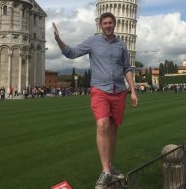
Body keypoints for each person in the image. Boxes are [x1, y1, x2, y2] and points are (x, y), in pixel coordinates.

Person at [53, 12, 138, 189]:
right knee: (102, 125)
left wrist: (133, 91)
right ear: (100, 25)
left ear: (114, 24)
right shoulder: (92, 42)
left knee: (114, 129)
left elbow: (127, 68)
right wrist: (58, 40)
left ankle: (110, 165)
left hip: (119, 91)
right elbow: (71, 53)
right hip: (100, 90)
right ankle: (106, 171)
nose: (107, 25)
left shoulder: (121, 45)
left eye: (110, 23)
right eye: (104, 23)